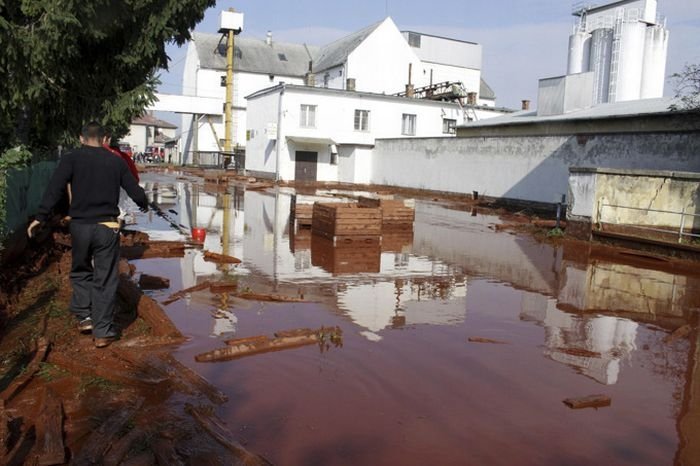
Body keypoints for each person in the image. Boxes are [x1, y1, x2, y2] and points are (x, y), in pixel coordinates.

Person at [27, 122, 149, 348]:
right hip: (107, 227)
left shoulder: (72, 158)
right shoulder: (116, 161)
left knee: (81, 270)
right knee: (105, 277)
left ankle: (85, 318)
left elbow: (54, 188)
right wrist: (144, 204)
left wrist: (41, 217)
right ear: (104, 139)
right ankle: (102, 332)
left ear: (81, 138)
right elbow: (134, 191)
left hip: (80, 227)